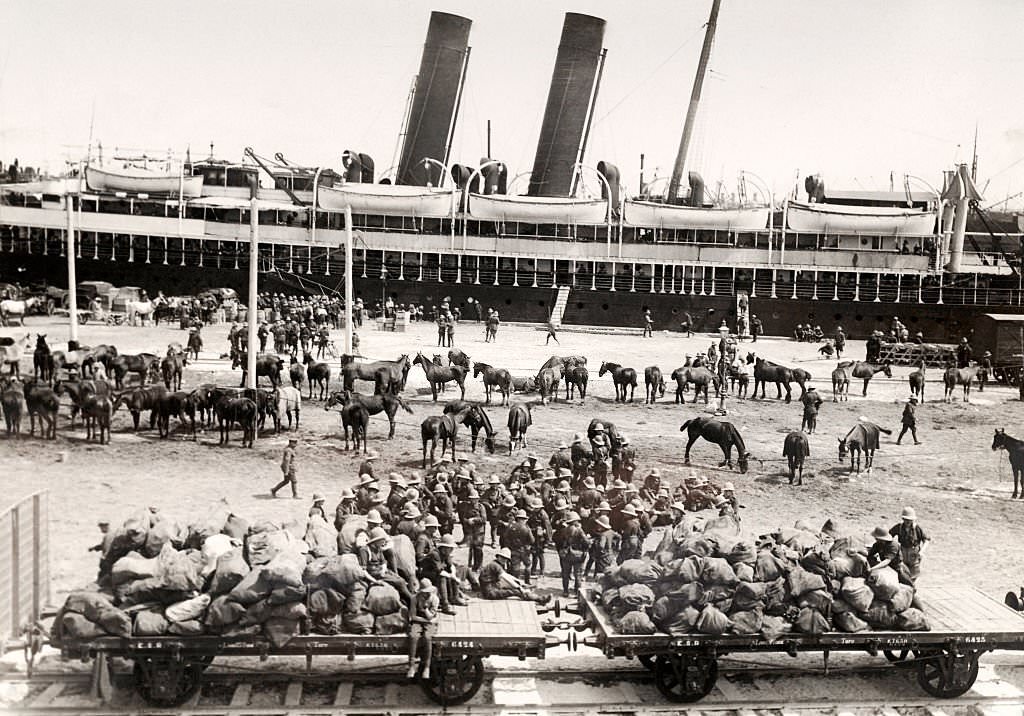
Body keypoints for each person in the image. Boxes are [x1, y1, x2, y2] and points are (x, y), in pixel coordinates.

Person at [478, 548, 549, 604]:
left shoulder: (495, 564)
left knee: (516, 587)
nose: (504, 560)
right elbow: (505, 577)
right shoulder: (495, 565)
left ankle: (535, 597)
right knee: (517, 591)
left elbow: (507, 575)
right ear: (498, 556)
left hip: (492, 587)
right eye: (502, 557)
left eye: (506, 559)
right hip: (490, 592)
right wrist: (518, 587)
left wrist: (519, 582)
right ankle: (539, 599)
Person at [889, 507, 929, 584]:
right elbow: (888, 536)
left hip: (914, 553)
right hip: (903, 552)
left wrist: (922, 551)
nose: (908, 522)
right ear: (903, 519)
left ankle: (912, 589)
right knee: (902, 572)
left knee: (914, 574)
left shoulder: (916, 528)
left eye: (910, 520)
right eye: (906, 519)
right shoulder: (899, 527)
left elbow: (926, 540)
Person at [554, 510, 589, 597]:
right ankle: (577, 591)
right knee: (578, 574)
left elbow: (557, 540)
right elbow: (586, 542)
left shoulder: (564, 530)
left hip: (566, 554)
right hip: (578, 554)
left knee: (565, 573)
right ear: (576, 520)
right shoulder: (579, 530)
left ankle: (565, 591)